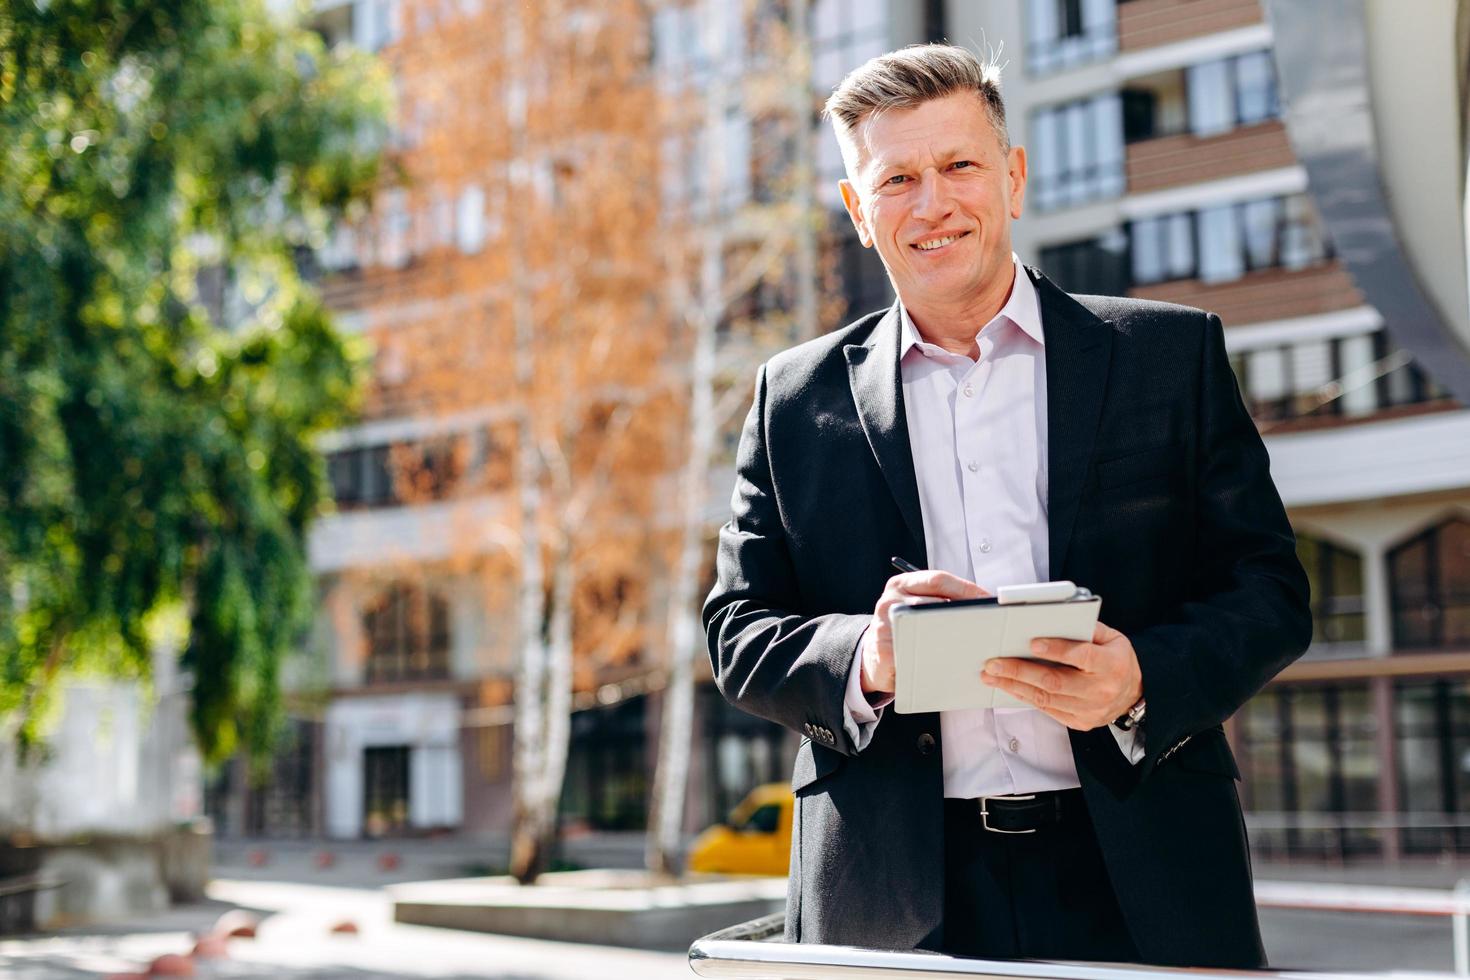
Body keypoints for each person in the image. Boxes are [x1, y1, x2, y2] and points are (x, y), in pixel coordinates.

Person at [702, 44, 1311, 969]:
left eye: (959, 166)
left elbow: (1269, 591)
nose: (933, 202)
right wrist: (868, 657)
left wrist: (1142, 676)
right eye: (896, 177)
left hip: (1144, 866)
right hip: (889, 885)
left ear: (1013, 178)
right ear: (858, 211)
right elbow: (737, 629)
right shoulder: (791, 397)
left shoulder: (1168, 357)